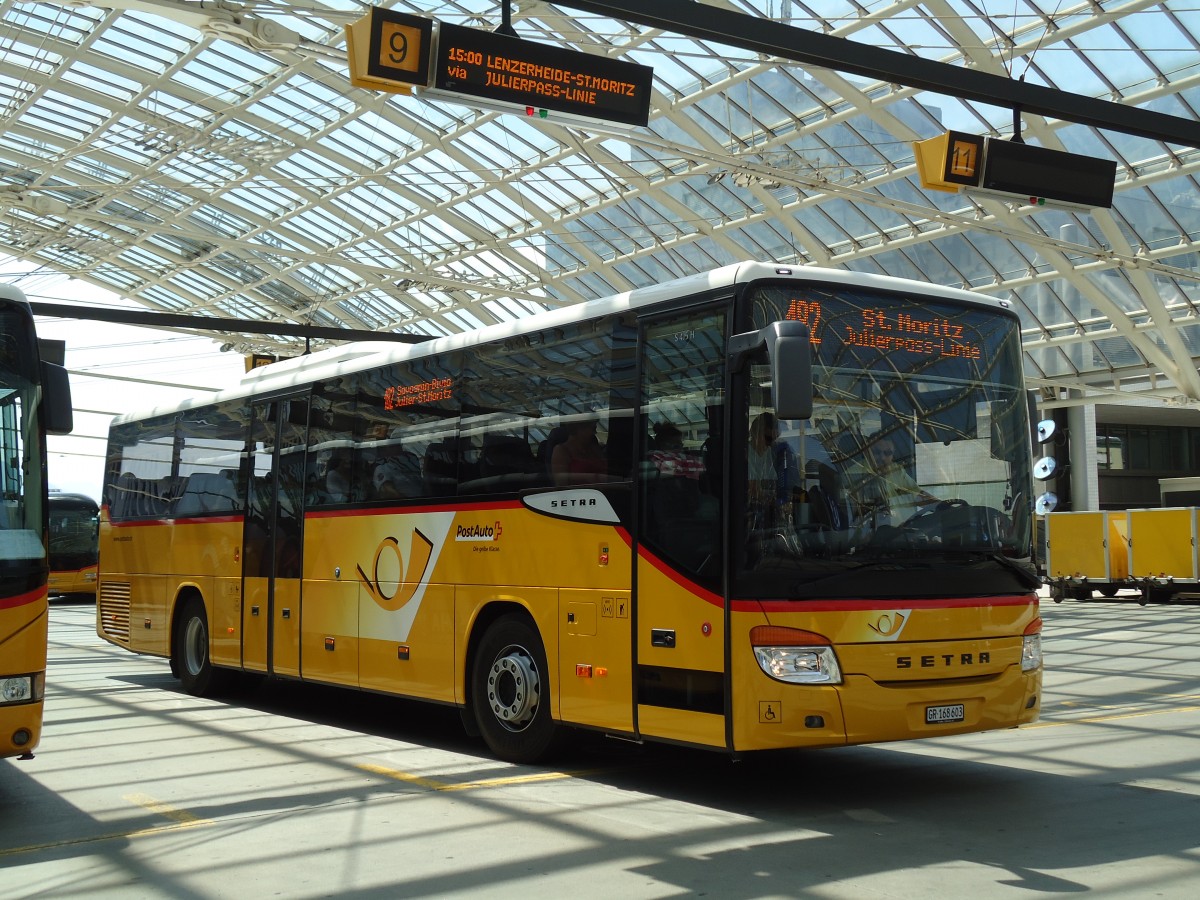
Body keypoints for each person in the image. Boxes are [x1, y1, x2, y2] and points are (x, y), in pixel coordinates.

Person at [851, 433, 938, 525]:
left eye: (887, 453)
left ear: (893, 453)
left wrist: (939, 504)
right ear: (866, 452)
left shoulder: (896, 470)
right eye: (876, 452)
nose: (882, 457)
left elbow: (917, 494)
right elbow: (854, 513)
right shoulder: (853, 474)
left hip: (902, 529)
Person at [747, 412, 799, 528]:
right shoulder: (746, 455)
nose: (770, 444)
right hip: (751, 514)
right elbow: (754, 490)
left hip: (768, 512)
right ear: (755, 433)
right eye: (768, 438)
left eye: (774, 439)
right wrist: (777, 503)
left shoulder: (772, 454)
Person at [551, 419, 606, 485]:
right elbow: (561, 485)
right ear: (579, 429)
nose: (595, 432)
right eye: (593, 428)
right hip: (578, 493)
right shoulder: (561, 451)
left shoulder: (594, 448)